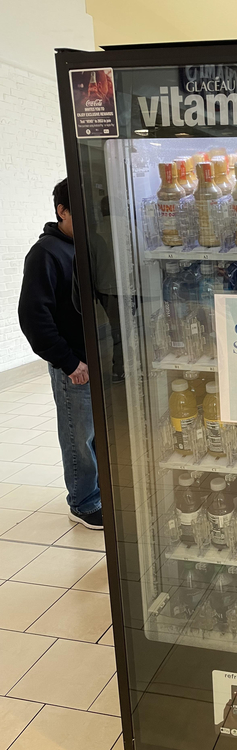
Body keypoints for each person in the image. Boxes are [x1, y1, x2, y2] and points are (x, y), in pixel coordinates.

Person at [18, 178, 103, 530]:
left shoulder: (90, 246)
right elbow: (33, 318)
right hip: (75, 365)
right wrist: (69, 363)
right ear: (62, 211)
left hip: (100, 359)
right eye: (80, 209)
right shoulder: (45, 254)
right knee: (78, 436)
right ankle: (83, 503)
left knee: (99, 435)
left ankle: (99, 492)